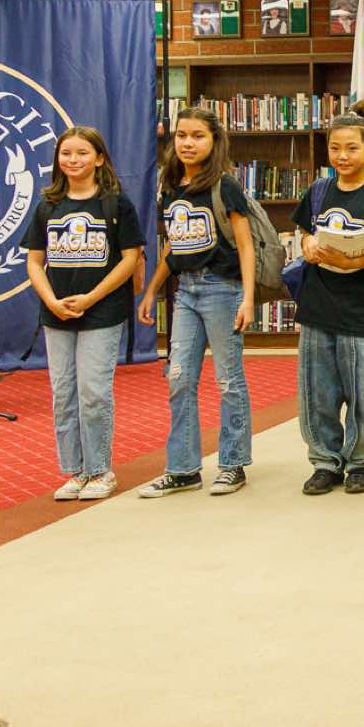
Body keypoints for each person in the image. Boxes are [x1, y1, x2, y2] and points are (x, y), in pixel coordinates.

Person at [137, 107, 255, 497]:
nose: (188, 143)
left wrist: (248, 298)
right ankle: (183, 468)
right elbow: (174, 244)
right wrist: (152, 289)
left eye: (198, 136)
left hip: (223, 289)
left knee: (228, 379)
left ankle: (233, 463)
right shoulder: (170, 185)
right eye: (182, 136)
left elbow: (245, 245)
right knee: (179, 378)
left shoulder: (224, 185)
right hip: (185, 291)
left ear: (214, 140)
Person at [24, 126, 142, 502]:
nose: (73, 160)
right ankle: (75, 470)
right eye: (66, 153)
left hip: (102, 309)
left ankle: (100, 469)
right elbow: (34, 261)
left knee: (93, 392)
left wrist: (91, 298)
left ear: (99, 158)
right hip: (57, 313)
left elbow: (130, 258)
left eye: (82, 153)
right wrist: (51, 301)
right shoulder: (48, 205)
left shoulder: (115, 205)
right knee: (64, 393)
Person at [291, 114, 364, 496]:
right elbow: (304, 230)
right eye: (335, 148)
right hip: (317, 307)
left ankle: (360, 463)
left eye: (352, 148)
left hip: (360, 310)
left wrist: (350, 261)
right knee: (318, 393)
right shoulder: (319, 190)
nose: (342, 156)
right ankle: (324, 462)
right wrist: (307, 243)